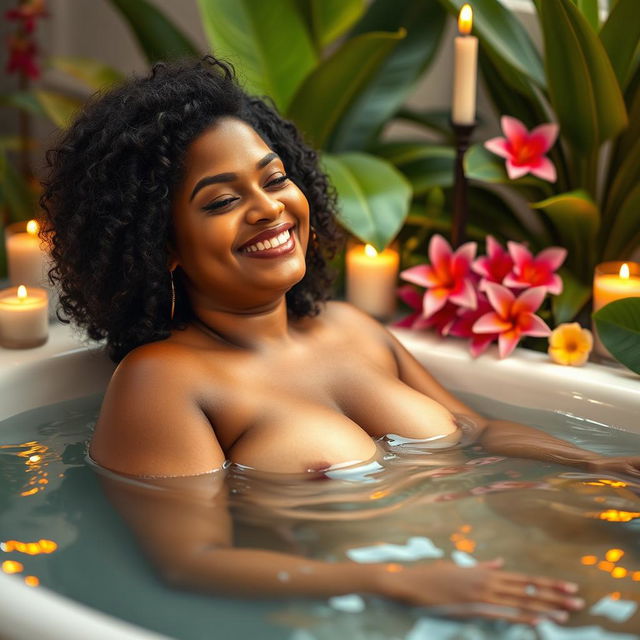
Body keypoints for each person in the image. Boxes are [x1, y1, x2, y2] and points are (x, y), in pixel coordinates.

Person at [40, 56, 639, 626]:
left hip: (526, 550)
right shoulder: (163, 379)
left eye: (274, 178)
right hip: (406, 611)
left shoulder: (351, 329)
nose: (268, 208)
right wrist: (398, 584)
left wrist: (595, 463)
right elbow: (191, 561)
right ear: (161, 245)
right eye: (222, 200)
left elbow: (479, 430)